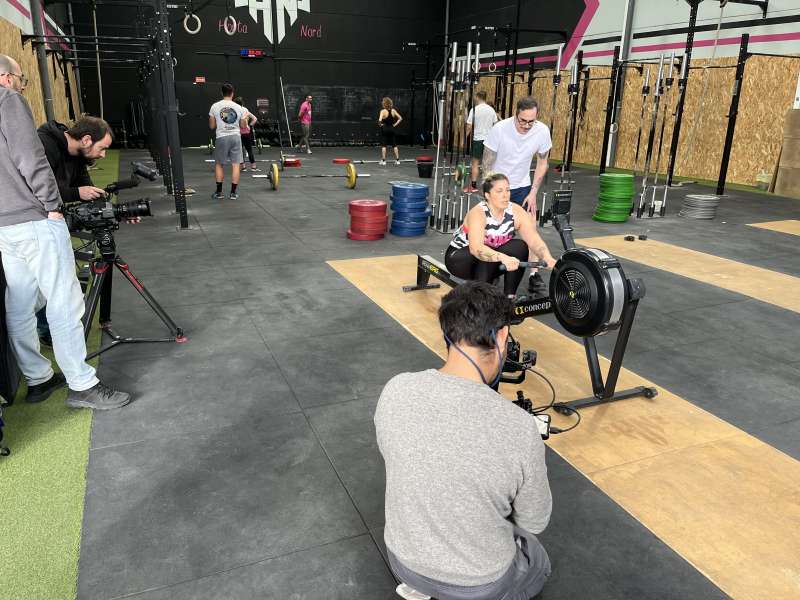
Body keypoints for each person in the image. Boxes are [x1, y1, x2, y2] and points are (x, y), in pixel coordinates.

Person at [375, 280, 553, 600]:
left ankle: (420, 588)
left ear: (448, 332)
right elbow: (534, 520)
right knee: (536, 555)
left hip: (402, 562)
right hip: (478, 584)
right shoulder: (519, 428)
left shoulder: (395, 388)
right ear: (502, 336)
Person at [0, 53, 130, 409]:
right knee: (64, 301)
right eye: (22, 78)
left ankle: (39, 378)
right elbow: (30, 158)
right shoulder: (7, 99)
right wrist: (53, 205)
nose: (22, 85)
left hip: (5, 226)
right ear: (7, 77)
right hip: (35, 219)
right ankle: (82, 384)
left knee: (21, 303)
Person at [35, 115, 113, 345]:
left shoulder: (78, 157)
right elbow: (39, 189)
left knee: (59, 277)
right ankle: (46, 330)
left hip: (53, 221)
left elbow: (88, 190)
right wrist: (76, 194)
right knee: (41, 284)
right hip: (31, 224)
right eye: (102, 148)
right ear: (87, 140)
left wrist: (111, 212)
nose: (102, 155)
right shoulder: (44, 145)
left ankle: (54, 326)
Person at [482, 96, 552, 296]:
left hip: (522, 187)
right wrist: (491, 190)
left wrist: (533, 192)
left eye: (531, 121)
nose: (527, 125)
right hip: (499, 187)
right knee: (494, 232)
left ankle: (534, 275)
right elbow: (488, 161)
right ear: (516, 114)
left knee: (531, 229)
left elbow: (542, 161)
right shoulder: (500, 129)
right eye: (523, 121)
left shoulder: (541, 131)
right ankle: (492, 270)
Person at [445, 173, 556, 298]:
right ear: (488, 195)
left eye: (507, 190)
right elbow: (476, 249)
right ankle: (481, 299)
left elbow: (534, 240)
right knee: (487, 252)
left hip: (491, 258)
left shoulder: (516, 211)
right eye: (499, 191)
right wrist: (502, 257)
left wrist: (547, 257)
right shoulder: (479, 213)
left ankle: (509, 298)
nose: (505, 195)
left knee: (519, 247)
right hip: (460, 259)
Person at [209, 83, 247, 200]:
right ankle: (233, 193)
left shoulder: (214, 106)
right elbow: (242, 126)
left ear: (222, 93)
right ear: (232, 93)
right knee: (236, 165)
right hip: (235, 137)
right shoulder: (239, 108)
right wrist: (245, 118)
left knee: (219, 164)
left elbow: (212, 126)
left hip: (222, 137)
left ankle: (219, 193)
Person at [464, 90, 498, 192]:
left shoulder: (474, 110)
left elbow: (469, 126)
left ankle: (474, 186)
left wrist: (464, 139)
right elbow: (496, 126)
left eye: (475, 97)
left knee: (475, 163)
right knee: (488, 164)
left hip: (478, 140)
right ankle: (488, 187)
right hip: (489, 141)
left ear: (477, 97)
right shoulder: (491, 110)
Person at [234, 96, 259, 172]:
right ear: (242, 103)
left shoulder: (234, 110)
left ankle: (243, 167)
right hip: (246, 132)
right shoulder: (245, 110)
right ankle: (253, 167)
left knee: (240, 151)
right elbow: (255, 118)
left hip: (238, 133)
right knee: (249, 150)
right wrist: (250, 126)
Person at [378, 97, 403, 166]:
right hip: (392, 129)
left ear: (384, 104)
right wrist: (394, 125)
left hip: (385, 129)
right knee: (394, 144)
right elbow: (400, 118)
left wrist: (382, 125)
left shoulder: (382, 111)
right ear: (390, 103)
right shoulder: (393, 111)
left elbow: (379, 122)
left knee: (384, 145)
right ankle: (397, 160)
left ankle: (383, 161)